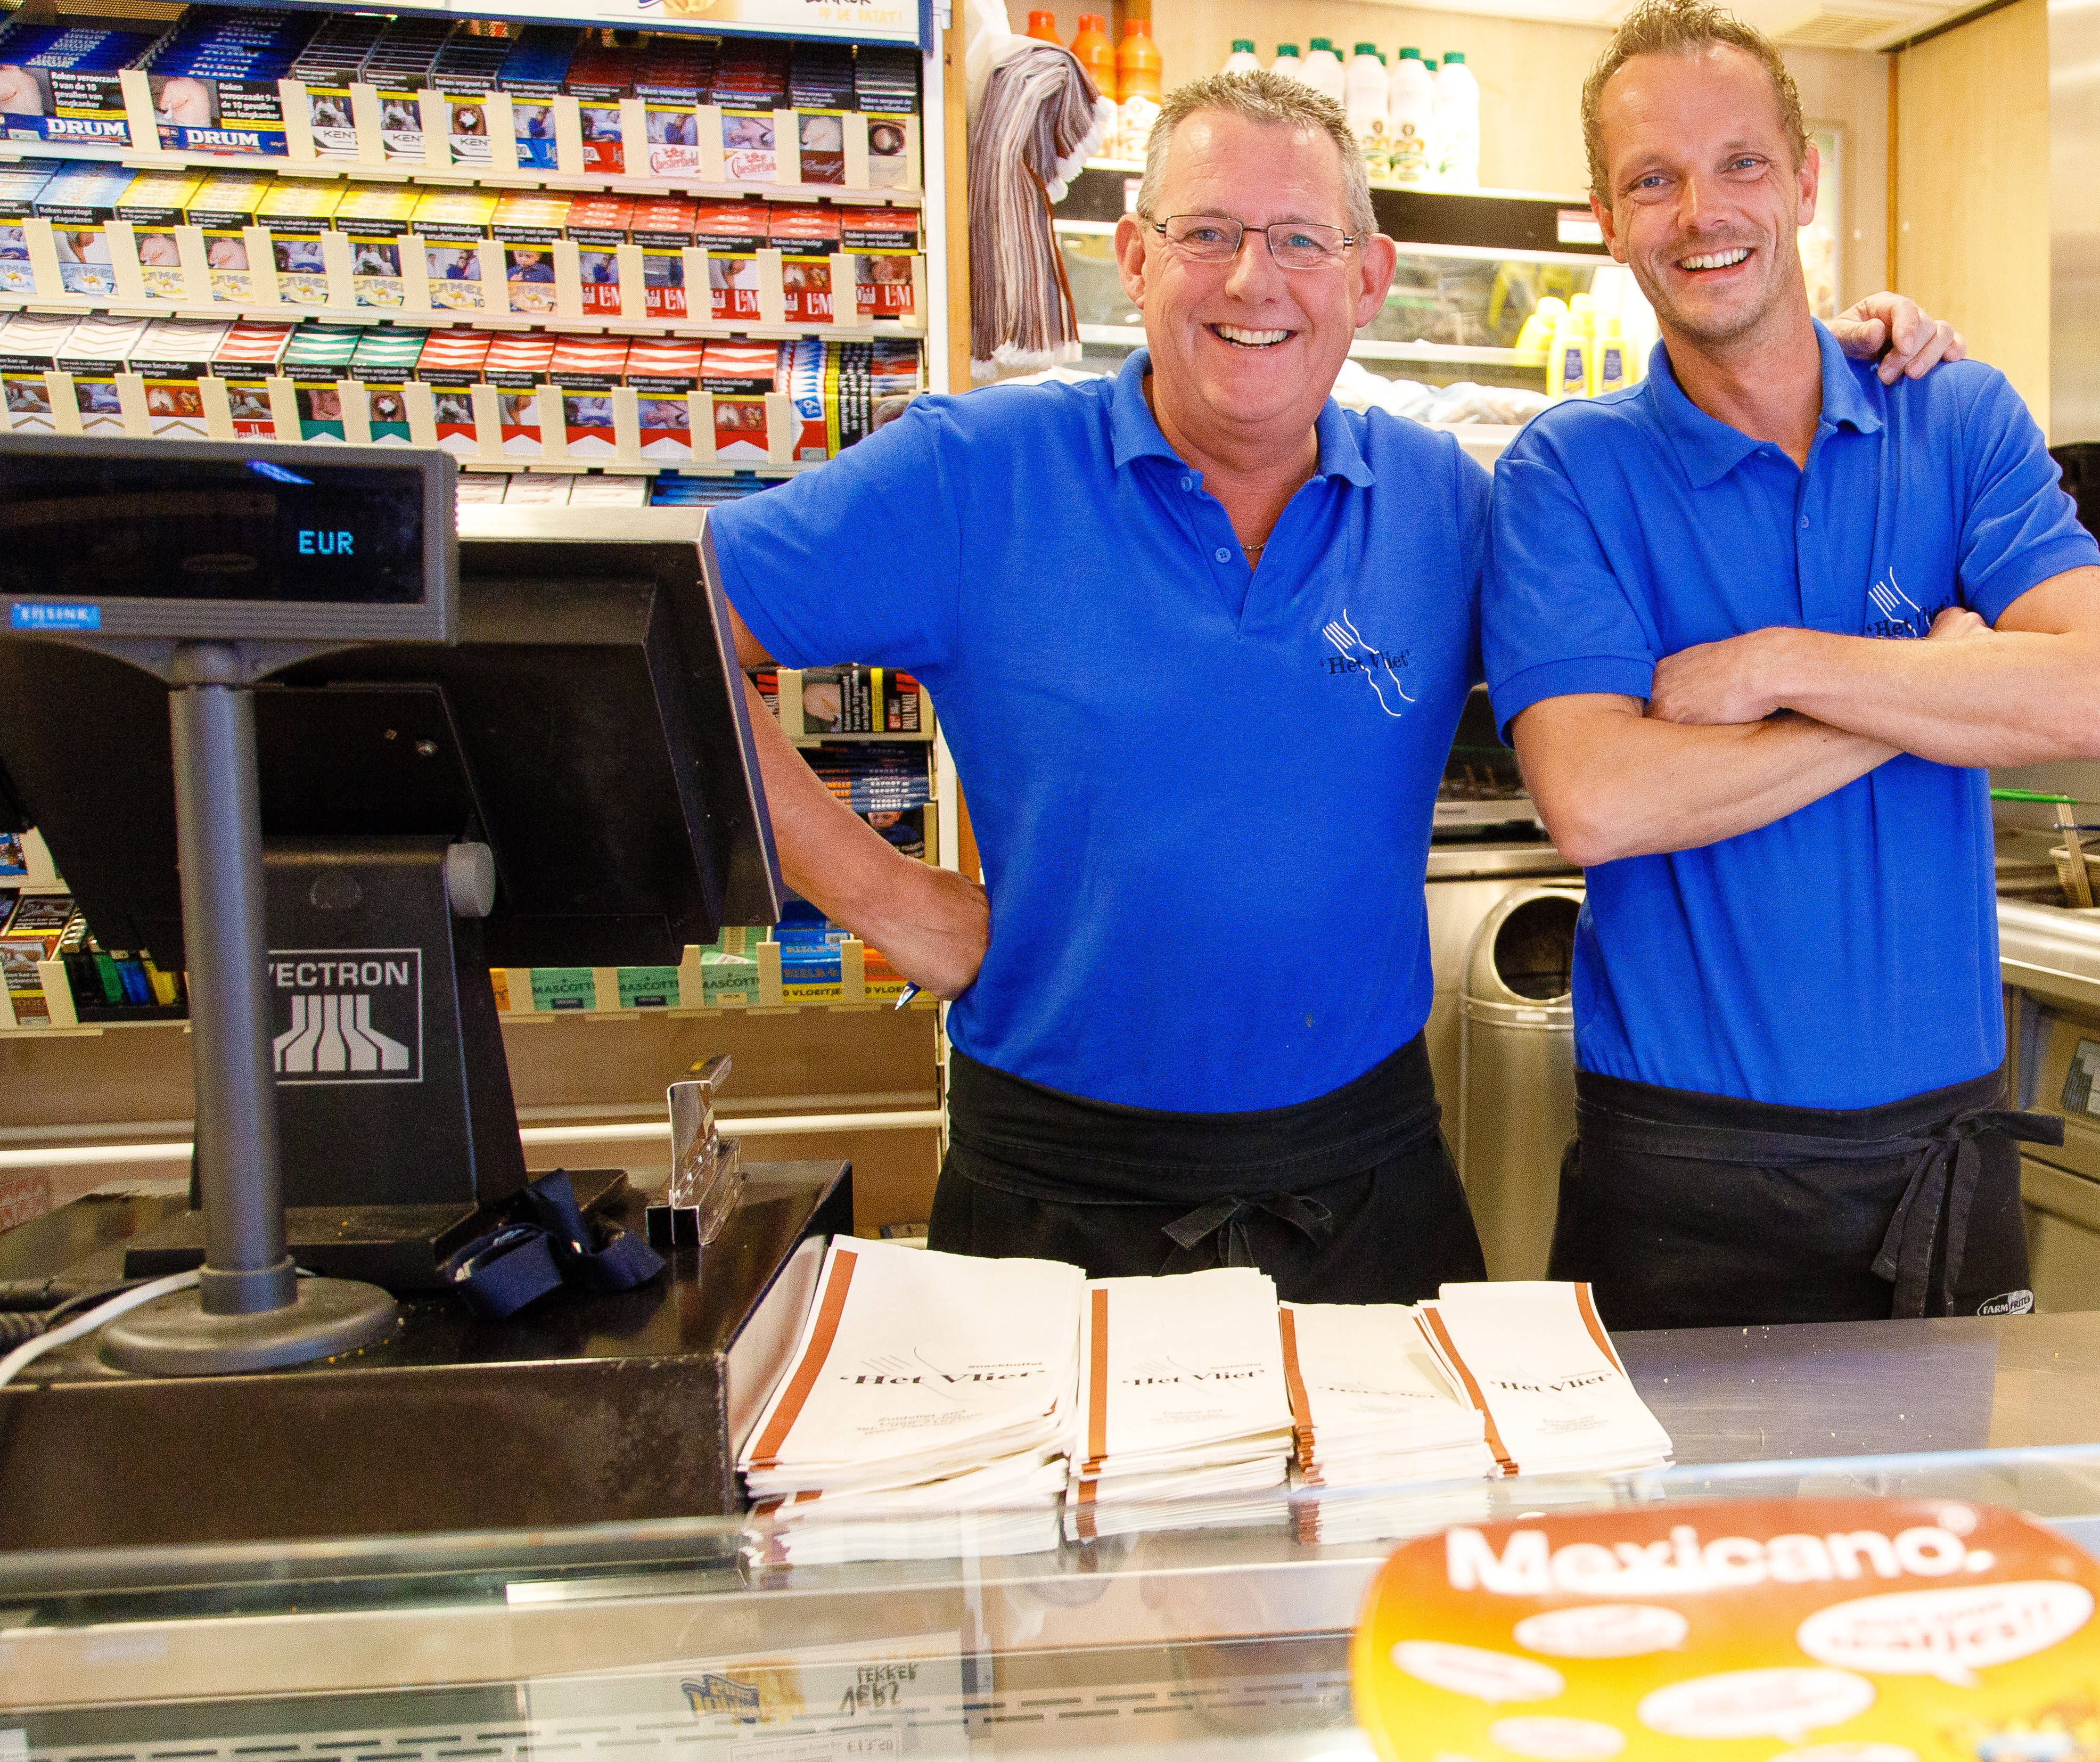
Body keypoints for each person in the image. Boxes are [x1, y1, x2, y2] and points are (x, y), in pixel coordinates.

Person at [708, 67, 1962, 1299]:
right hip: (1053, 1184)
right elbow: (674, 624)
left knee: (1406, 1522)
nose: (1255, 280)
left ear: (1369, 278)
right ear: (1134, 262)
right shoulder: (977, 472)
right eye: (1207, 234)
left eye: (1303, 239)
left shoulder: (1455, 506)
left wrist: (1828, 357)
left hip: (1369, 1187)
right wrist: (888, 898)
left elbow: (1671, 651)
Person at [1482, 0, 2100, 1332]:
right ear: (1607, 222)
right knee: (1675, 1548)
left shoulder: (1954, 415)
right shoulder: (1568, 471)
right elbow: (1597, 799)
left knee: (1939, 1547)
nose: (1701, 210)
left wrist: (1780, 662)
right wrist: (1926, 689)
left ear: (1805, 180)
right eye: (1651, 181)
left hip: (1941, 1156)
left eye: (1739, 164)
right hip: (1682, 1169)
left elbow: (2096, 694)